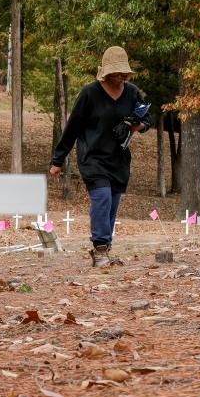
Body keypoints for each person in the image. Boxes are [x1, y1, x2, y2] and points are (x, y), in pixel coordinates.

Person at [50, 46, 151, 267]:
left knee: (112, 204)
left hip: (119, 159)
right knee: (102, 198)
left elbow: (146, 121)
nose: (121, 77)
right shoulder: (90, 93)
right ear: (106, 73)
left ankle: (106, 248)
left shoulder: (133, 92)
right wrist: (58, 160)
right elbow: (72, 127)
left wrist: (137, 125)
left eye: (124, 73)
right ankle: (100, 248)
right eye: (117, 73)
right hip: (93, 157)